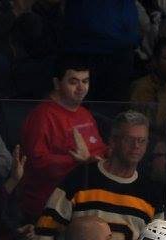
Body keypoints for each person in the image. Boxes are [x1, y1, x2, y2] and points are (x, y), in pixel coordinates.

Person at [31, 112, 163, 240]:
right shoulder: (81, 178)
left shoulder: (151, 193)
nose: (136, 146)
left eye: (142, 141)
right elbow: (47, 226)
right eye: (129, 140)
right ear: (113, 141)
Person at [17, 59, 107, 220]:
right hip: (47, 208)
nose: (81, 88)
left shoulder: (85, 113)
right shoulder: (42, 115)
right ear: (57, 83)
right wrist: (79, 162)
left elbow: (99, 151)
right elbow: (37, 162)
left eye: (85, 81)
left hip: (80, 202)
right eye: (73, 82)